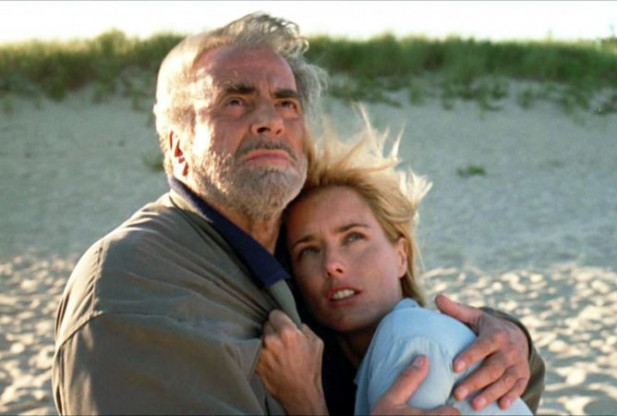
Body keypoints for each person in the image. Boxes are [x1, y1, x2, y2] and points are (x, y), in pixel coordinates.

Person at [52, 12, 544, 415]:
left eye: (286, 103)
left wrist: (506, 338)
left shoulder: (292, 246)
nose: (269, 120)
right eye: (235, 101)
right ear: (178, 147)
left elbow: (449, 370)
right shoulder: (133, 287)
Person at [257, 114, 536, 415]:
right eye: (308, 251)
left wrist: (304, 402)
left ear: (401, 255)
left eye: (353, 237)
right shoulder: (333, 364)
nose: (332, 264)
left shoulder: (411, 339)